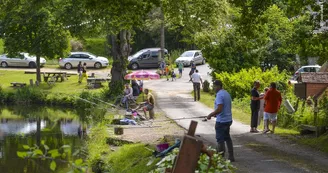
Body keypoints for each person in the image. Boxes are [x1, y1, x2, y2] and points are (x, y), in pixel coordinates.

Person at [207, 80, 235, 162]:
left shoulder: (219, 95)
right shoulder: (226, 93)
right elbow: (224, 108)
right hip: (228, 119)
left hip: (221, 121)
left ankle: (220, 158)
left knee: (220, 140)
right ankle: (231, 156)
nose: (214, 88)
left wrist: (211, 114)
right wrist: (216, 114)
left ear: (218, 86)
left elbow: (219, 109)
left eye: (214, 86)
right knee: (227, 138)